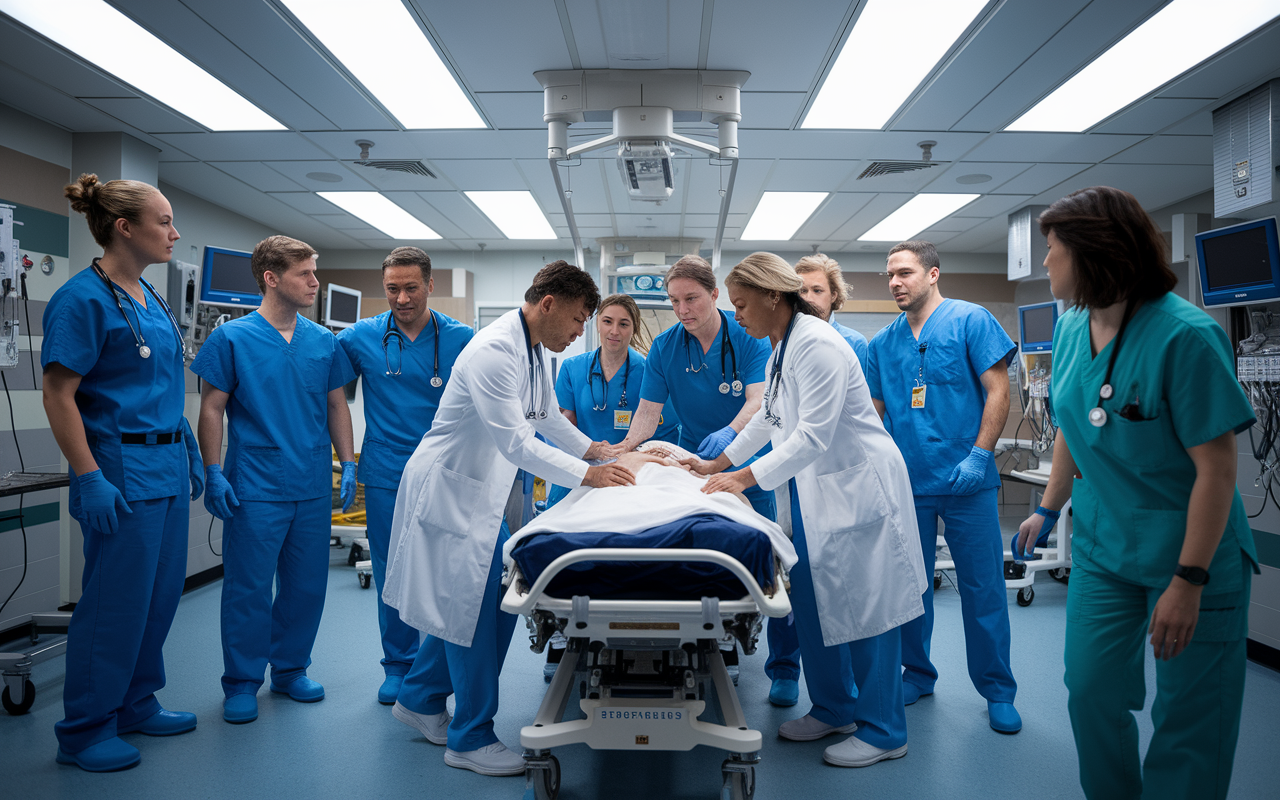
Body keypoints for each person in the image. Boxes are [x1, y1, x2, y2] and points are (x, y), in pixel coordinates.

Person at [1015, 186, 1258, 800]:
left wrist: (1188, 580)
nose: (1045, 263)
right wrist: (1049, 505)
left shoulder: (1186, 336)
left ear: (1095, 254)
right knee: (1091, 691)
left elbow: (1218, 472)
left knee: (1189, 719)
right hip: (1105, 549)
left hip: (1192, 553)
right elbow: (1076, 421)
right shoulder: (1073, 329)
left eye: (1053, 250)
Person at [383, 261, 633, 777]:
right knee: (474, 608)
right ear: (549, 304)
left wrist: (595, 453)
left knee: (487, 598)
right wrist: (589, 477)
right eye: (581, 318)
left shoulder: (534, 348)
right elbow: (517, 443)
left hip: (476, 495)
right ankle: (470, 737)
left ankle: (421, 698)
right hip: (449, 492)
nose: (581, 331)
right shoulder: (495, 350)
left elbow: (541, 417)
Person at [683, 252, 927, 767]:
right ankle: (835, 706)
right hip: (818, 497)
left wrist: (743, 478)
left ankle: (885, 731)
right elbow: (768, 423)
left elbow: (812, 436)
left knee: (869, 608)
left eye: (743, 305)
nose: (739, 316)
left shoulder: (818, 345)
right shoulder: (779, 351)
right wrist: (716, 464)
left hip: (859, 490)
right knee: (814, 601)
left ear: (775, 296)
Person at [42, 174, 202, 772]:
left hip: (163, 460)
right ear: (124, 227)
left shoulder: (150, 296)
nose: (174, 232)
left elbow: (155, 379)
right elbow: (58, 394)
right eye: (164, 221)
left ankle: (136, 701)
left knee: (159, 599)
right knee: (114, 604)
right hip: (117, 467)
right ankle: (84, 728)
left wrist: (182, 437)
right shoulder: (82, 298)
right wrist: (87, 475)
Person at [191, 235, 357, 725]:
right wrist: (213, 469)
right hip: (255, 484)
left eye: (314, 271)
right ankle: (241, 682)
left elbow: (336, 405)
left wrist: (347, 461)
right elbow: (212, 407)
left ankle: (289, 670)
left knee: (306, 587)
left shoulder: (323, 341)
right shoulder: (231, 338)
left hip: (310, 482)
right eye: (304, 273)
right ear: (271, 278)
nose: (315, 281)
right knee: (248, 587)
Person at [615, 255, 791, 701]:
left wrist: (731, 433)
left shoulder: (748, 335)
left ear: (714, 295)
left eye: (691, 298)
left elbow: (760, 399)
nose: (682, 309)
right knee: (700, 542)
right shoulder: (665, 347)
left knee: (767, 561)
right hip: (697, 462)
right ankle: (715, 636)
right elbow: (648, 415)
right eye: (674, 301)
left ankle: (785, 668)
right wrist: (623, 451)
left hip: (749, 460)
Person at [865, 240, 1021, 733]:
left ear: (933, 274)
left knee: (983, 589)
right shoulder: (882, 344)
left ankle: (998, 689)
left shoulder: (970, 320)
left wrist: (981, 454)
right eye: (890, 274)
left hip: (966, 481)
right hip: (907, 484)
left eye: (906, 272)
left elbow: (1000, 389)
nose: (895, 282)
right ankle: (918, 674)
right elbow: (875, 415)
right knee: (911, 590)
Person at [336, 247, 473, 705]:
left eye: (411, 287)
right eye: (392, 289)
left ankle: (438, 668)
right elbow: (330, 393)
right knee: (392, 568)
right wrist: (347, 460)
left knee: (445, 573)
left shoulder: (462, 339)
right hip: (387, 470)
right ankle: (398, 665)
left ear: (430, 285)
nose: (402, 298)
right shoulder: (360, 337)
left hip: (445, 470)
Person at [544, 293, 680, 508]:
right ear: (597, 323)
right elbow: (563, 429)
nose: (614, 331)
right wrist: (592, 456)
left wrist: (627, 457)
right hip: (582, 471)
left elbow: (665, 435)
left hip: (631, 474)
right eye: (607, 321)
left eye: (623, 324)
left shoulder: (650, 372)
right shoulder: (573, 368)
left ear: (633, 328)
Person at [795, 253, 867, 365]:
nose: (808, 299)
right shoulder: (784, 340)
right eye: (803, 291)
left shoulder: (854, 342)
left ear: (833, 296)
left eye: (817, 290)